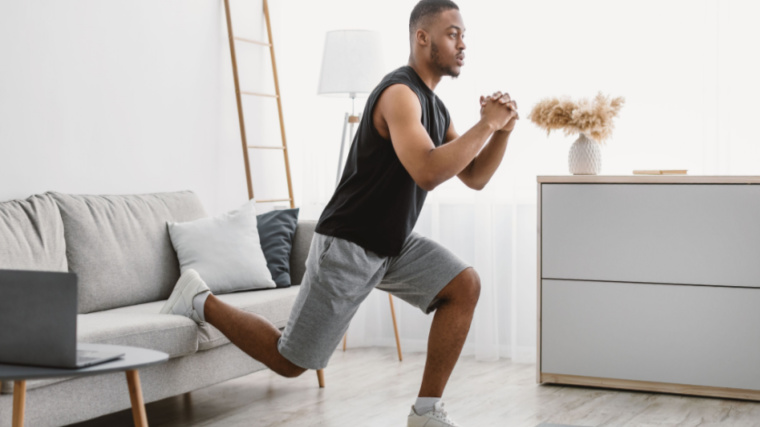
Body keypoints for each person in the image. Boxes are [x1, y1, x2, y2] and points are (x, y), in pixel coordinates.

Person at [160, 1, 518, 425]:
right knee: (291, 361)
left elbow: (474, 176)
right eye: (453, 34)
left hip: (391, 244)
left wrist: (503, 132)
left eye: (464, 36)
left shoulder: (436, 108)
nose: (462, 45)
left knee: (463, 286)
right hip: (349, 242)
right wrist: (488, 125)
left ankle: (426, 413)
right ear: (422, 38)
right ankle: (199, 299)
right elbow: (427, 170)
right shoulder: (399, 93)